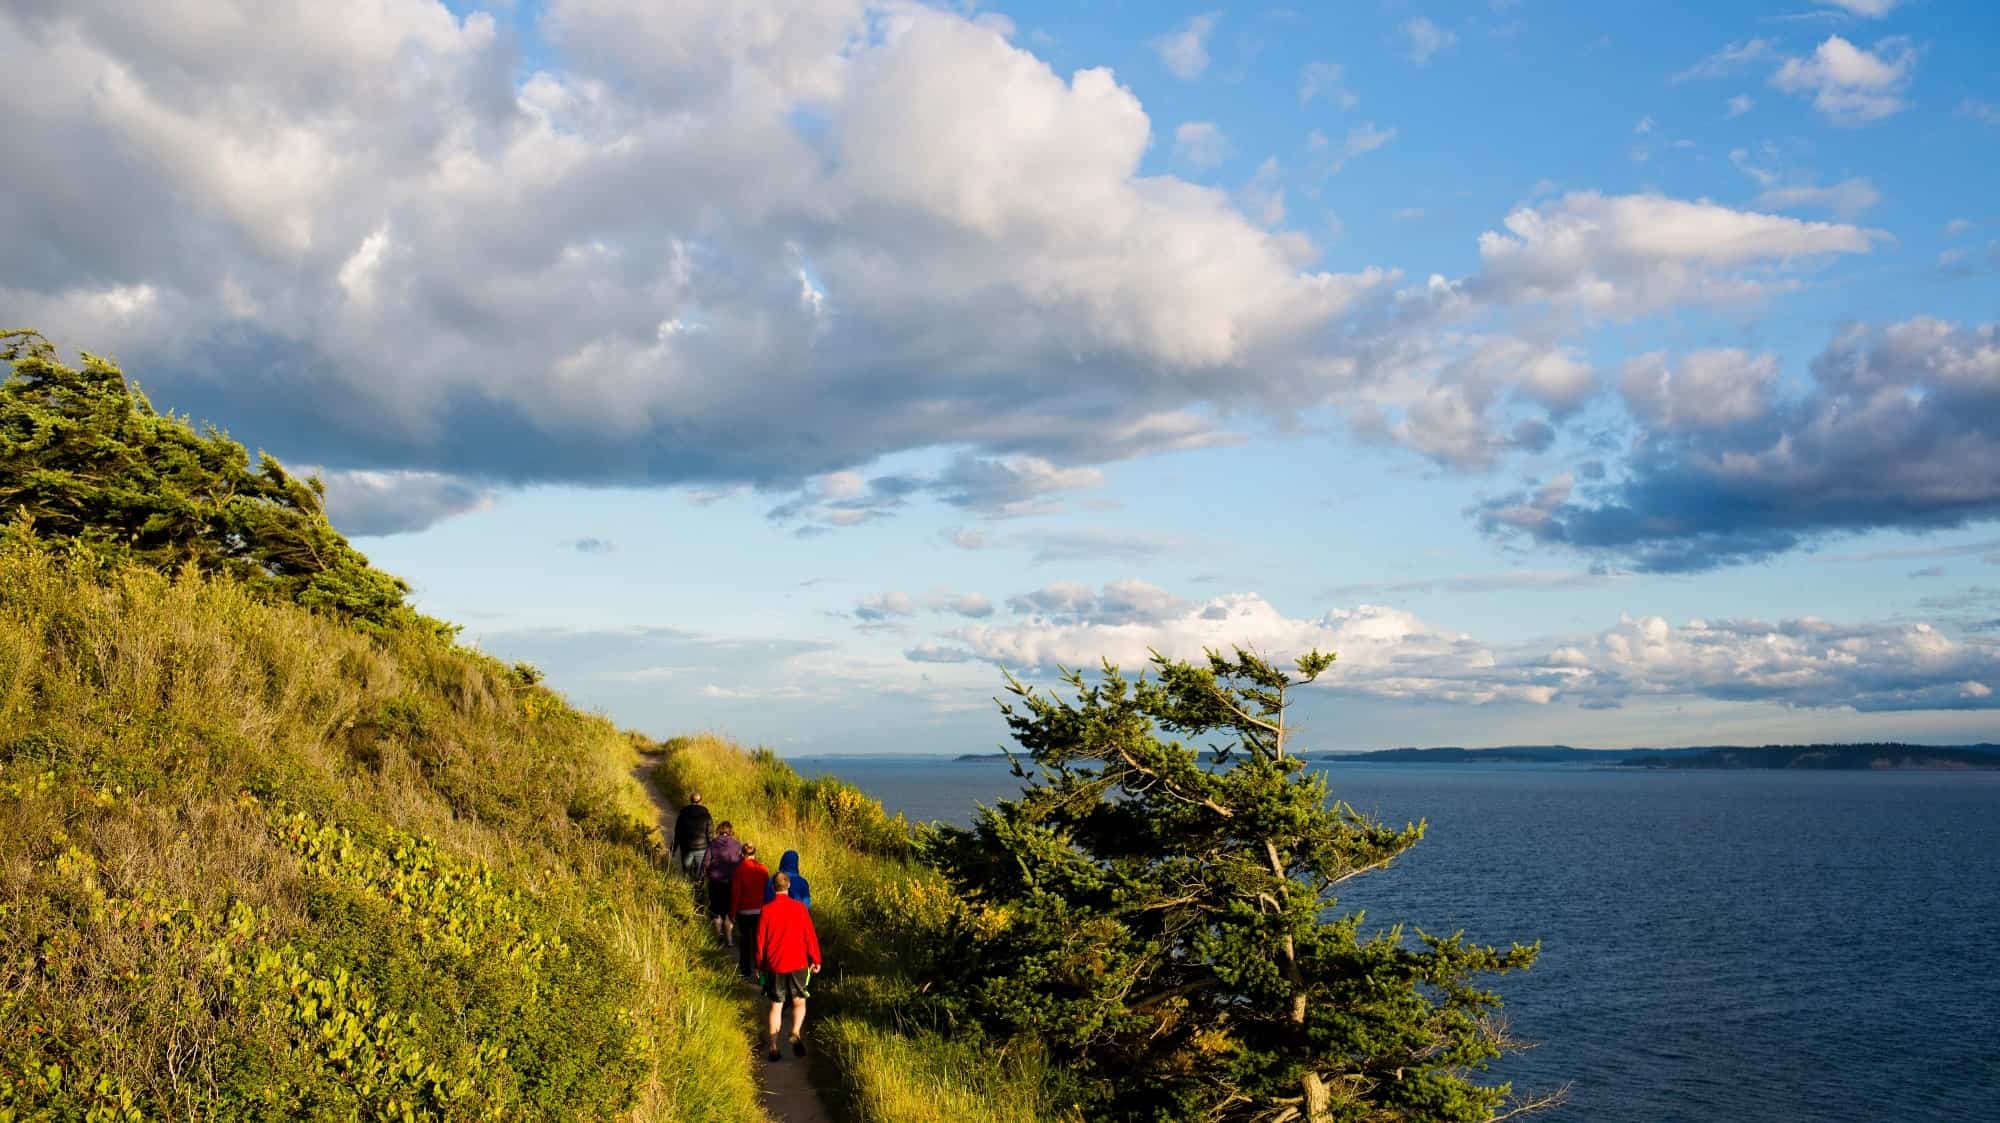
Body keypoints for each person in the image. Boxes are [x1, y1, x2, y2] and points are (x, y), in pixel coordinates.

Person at [756, 871, 821, 1061]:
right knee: (799, 1001)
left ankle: (774, 1047)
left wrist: (759, 964)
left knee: (776, 1005)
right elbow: (810, 936)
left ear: (772, 887)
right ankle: (795, 1031)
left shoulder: (766, 910)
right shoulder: (800, 909)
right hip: (798, 962)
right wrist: (816, 959)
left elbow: (760, 941)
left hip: (775, 964)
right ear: (789, 886)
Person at [730, 842, 771, 982]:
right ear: (755, 853)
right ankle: (761, 974)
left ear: (742, 854)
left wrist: (732, 914)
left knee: (745, 941)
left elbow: (736, 894)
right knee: (759, 943)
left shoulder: (739, 870)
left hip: (744, 911)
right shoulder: (763, 869)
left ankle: (745, 971)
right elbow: (768, 891)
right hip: (760, 910)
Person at [702, 821, 744, 945]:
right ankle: (730, 940)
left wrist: (701, 877)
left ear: (719, 830)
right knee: (728, 912)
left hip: (715, 882)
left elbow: (706, 863)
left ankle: (718, 935)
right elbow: (741, 863)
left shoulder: (713, 844)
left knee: (716, 910)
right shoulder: (737, 845)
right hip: (731, 883)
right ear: (730, 831)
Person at [672, 794, 712, 881]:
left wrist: (673, 848)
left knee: (686, 872)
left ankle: (686, 889)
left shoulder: (683, 813)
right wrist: (711, 849)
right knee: (699, 873)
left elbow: (678, 832)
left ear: (690, 801)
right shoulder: (706, 814)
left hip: (686, 847)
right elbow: (709, 833)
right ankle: (698, 891)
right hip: (702, 848)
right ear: (701, 801)